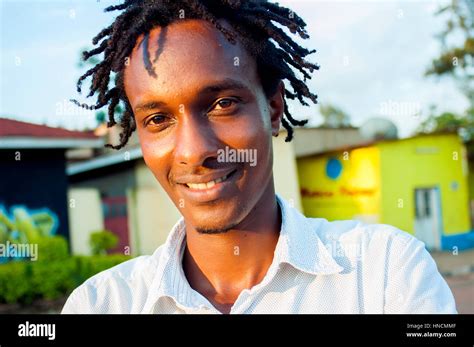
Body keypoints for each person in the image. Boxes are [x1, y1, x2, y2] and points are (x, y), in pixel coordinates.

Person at [62, 0, 456, 314]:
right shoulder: (101, 304)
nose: (195, 150)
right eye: (158, 119)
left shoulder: (384, 273)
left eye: (223, 103)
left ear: (274, 108)